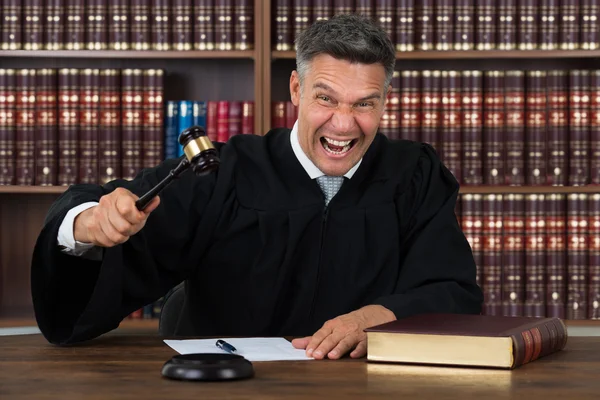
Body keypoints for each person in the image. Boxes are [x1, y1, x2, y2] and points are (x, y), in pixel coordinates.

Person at [31, 14, 483, 360]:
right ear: (295, 89)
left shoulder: (414, 175)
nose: (344, 124)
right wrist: (85, 226)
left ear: (385, 100)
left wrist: (379, 319)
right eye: (325, 98)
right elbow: (115, 209)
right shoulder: (224, 173)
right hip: (227, 387)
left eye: (364, 104)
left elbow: (452, 290)